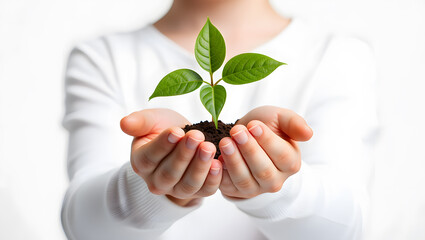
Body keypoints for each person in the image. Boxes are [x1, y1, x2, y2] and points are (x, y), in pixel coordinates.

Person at [61, 0, 378, 239]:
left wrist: (277, 187)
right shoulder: (103, 59)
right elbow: (84, 226)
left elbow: (345, 227)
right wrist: (147, 185)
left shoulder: (338, 57)